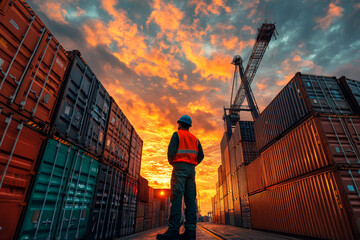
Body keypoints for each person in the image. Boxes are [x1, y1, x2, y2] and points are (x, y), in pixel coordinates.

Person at [156, 115, 204, 240]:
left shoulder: (177, 135)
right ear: (189, 126)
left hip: (179, 168)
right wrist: (192, 163)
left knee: (176, 198)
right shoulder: (195, 139)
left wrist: (175, 163)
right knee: (190, 199)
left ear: (180, 124)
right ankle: (190, 232)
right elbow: (201, 155)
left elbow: (171, 153)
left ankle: (173, 231)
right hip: (191, 171)